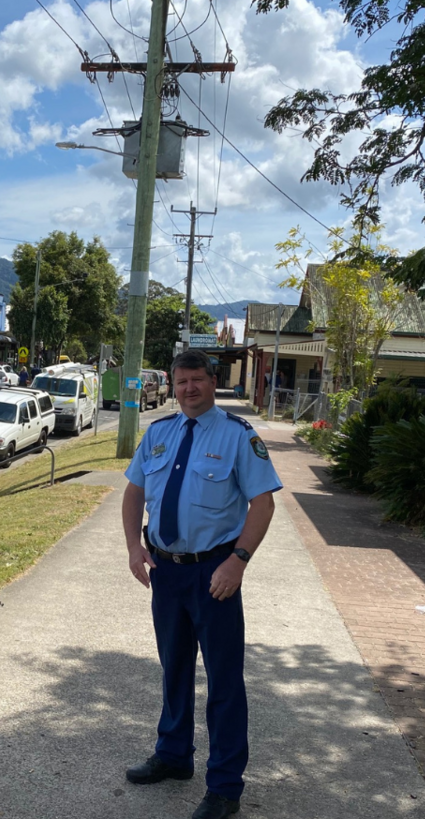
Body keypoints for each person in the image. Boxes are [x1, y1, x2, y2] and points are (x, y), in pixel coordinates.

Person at [122, 349, 282, 819]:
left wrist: (238, 562)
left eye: (197, 379)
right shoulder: (159, 432)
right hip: (166, 572)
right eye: (181, 380)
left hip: (214, 574)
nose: (188, 388)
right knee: (173, 668)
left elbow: (263, 504)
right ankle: (173, 756)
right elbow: (134, 491)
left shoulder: (237, 436)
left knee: (224, 681)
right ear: (172, 384)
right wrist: (135, 546)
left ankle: (225, 786)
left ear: (213, 382)